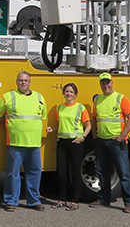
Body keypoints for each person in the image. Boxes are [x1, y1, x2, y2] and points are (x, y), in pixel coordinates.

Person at [0, 71, 47, 212]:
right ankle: (11, 201)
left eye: (26, 80)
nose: (23, 83)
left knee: (35, 172)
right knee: (13, 173)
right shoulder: (7, 97)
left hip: (34, 143)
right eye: (20, 80)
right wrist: (10, 127)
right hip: (15, 143)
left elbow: (42, 117)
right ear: (16, 82)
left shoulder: (39, 97)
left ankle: (34, 200)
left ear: (30, 82)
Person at [89, 72, 130, 213]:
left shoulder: (121, 98)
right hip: (101, 141)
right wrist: (95, 135)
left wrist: (122, 136)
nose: (106, 85)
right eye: (103, 82)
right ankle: (103, 199)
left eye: (108, 82)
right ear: (100, 84)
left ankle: (128, 203)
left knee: (124, 173)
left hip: (116, 142)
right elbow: (95, 120)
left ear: (112, 83)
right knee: (102, 172)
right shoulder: (98, 100)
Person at [45, 83, 91, 211]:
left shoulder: (80, 108)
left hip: (75, 144)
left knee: (75, 173)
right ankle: (62, 199)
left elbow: (88, 125)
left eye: (71, 92)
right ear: (63, 93)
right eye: (67, 91)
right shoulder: (59, 108)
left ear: (75, 94)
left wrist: (82, 137)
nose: (69, 94)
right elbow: (61, 126)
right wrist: (52, 129)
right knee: (61, 173)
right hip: (62, 143)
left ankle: (75, 201)